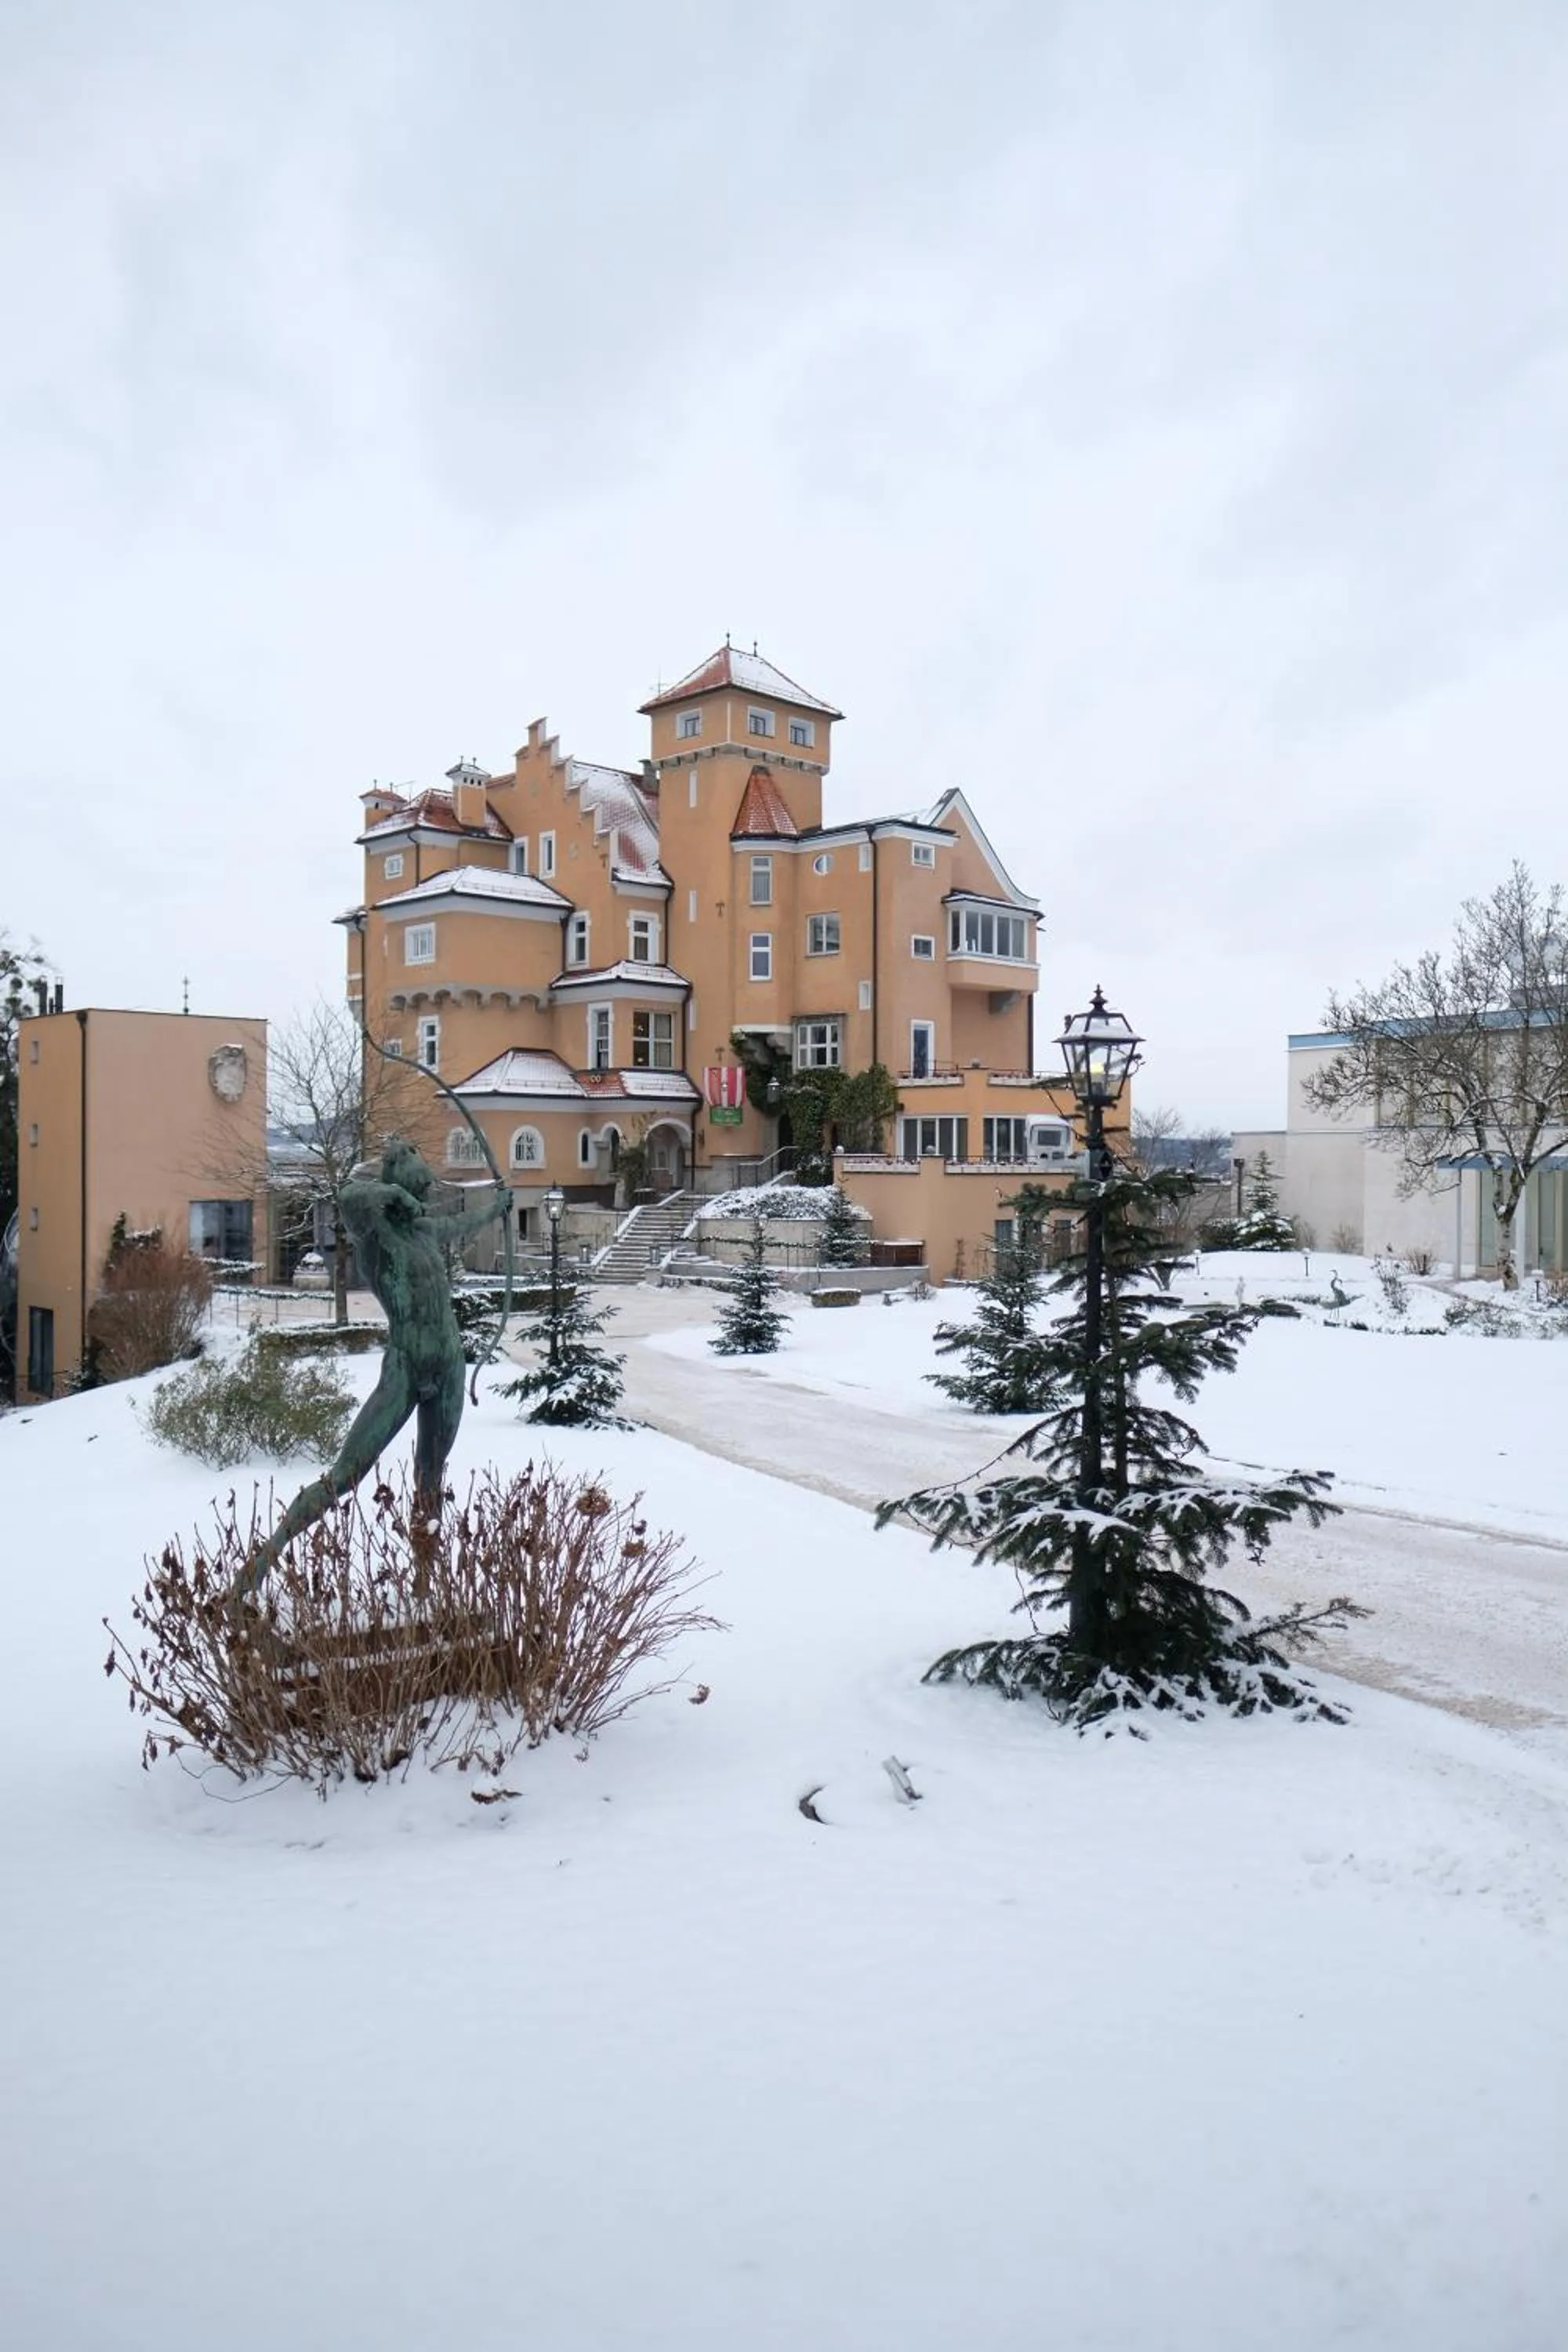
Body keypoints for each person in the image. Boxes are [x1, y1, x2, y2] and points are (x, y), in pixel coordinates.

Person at [236, 1138, 509, 1595]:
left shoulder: (423, 1231)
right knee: (347, 1473)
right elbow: (348, 1195)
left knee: (431, 1472)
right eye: (417, 1187)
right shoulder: (375, 1235)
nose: (423, 1198)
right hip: (405, 1365)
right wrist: (394, 1194)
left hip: (448, 1363)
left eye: (425, 1191)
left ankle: (425, 1580)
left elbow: (459, 1221)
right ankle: (263, 1561)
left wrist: (496, 1207)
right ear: (398, 1179)